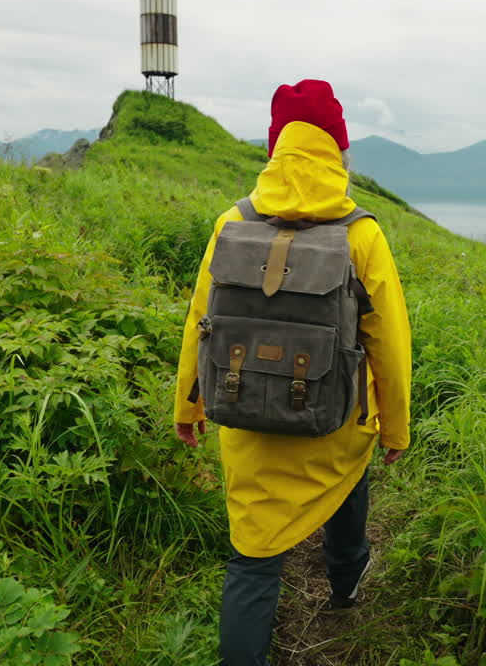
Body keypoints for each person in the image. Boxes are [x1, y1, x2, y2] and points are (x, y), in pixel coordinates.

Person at [172, 79, 412, 666]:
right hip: (333, 421)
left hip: (246, 415)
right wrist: (395, 428)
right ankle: (346, 580)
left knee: (252, 562)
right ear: (337, 150)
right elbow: (389, 345)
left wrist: (188, 404)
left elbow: (200, 320)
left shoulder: (232, 221)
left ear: (276, 146)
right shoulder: (362, 233)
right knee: (349, 471)